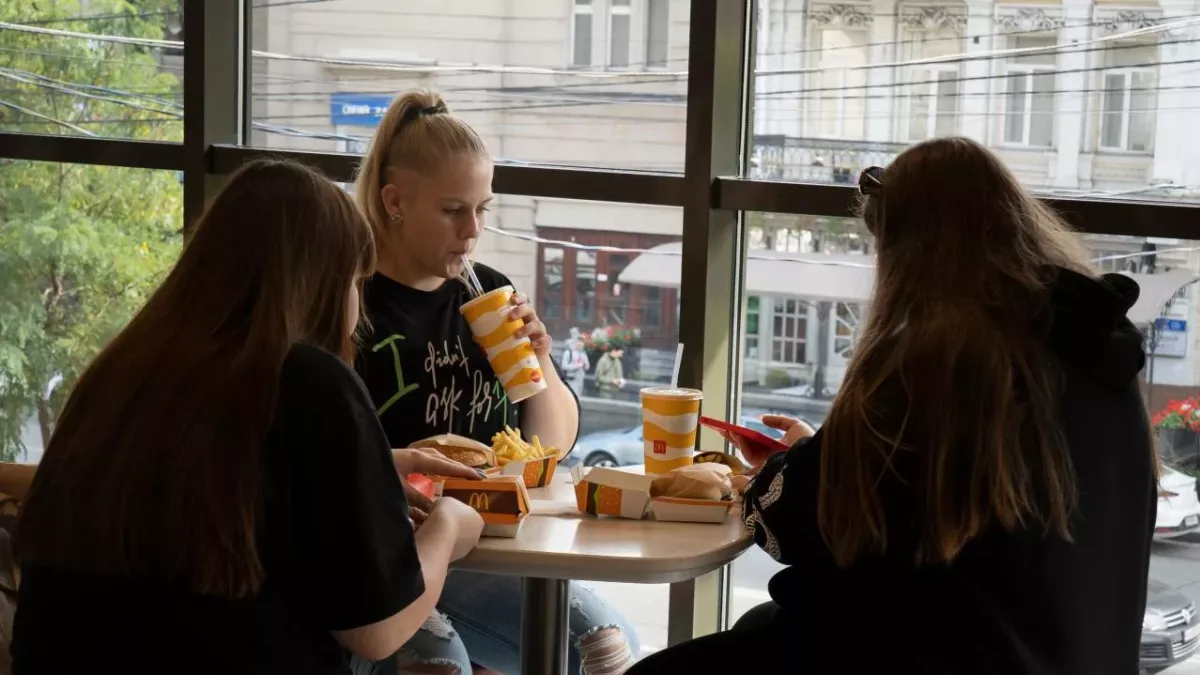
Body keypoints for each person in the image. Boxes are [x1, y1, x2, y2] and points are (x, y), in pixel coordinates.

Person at [629, 137, 1157, 675]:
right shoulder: (1094, 347)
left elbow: (794, 527)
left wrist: (786, 472)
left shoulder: (940, 363)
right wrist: (826, 456)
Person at [10, 159, 486, 675]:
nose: (358, 302)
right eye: (356, 280)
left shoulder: (121, 370)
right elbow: (377, 629)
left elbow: (209, 479)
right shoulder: (310, 379)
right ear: (321, 283)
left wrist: (362, 468)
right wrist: (449, 525)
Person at [353, 89, 639, 675]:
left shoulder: (486, 289)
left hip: (493, 535)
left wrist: (539, 363)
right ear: (395, 201)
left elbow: (550, 445)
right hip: (389, 543)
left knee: (607, 645)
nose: (473, 229)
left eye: (482, 209)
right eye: (452, 210)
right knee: (439, 663)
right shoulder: (349, 302)